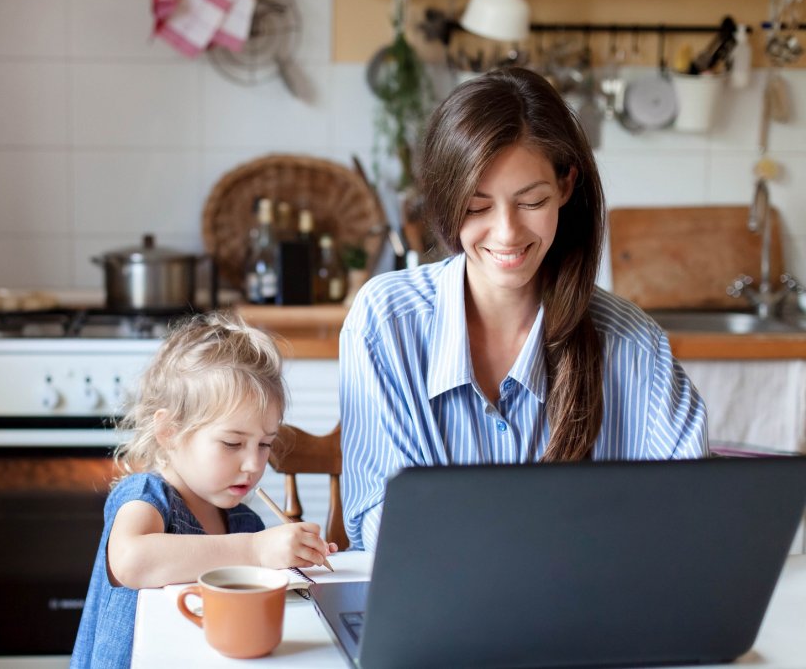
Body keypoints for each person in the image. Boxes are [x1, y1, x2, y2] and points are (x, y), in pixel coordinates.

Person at [340, 67, 708, 552]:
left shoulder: (633, 344)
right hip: (444, 618)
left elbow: (691, 517)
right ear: (446, 200)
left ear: (566, 185)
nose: (507, 233)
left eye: (531, 201)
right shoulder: (385, 321)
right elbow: (381, 526)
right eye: (477, 206)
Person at [71, 313, 336, 668]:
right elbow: (132, 561)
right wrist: (257, 551)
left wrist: (293, 560)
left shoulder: (244, 521)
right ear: (169, 432)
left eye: (264, 445)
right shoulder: (147, 496)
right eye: (232, 443)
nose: (253, 465)